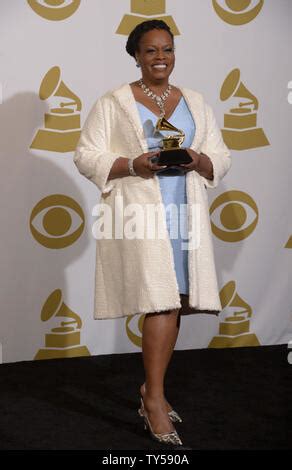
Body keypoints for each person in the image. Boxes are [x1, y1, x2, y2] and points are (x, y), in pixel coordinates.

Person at [73, 19, 231, 447]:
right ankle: (155, 401)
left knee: (175, 300)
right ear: (136, 55)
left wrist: (198, 158)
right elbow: (87, 154)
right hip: (142, 210)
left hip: (186, 207)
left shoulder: (195, 101)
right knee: (160, 300)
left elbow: (220, 153)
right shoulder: (114, 102)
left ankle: (150, 391)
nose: (160, 58)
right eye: (150, 51)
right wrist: (132, 165)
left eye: (167, 50)